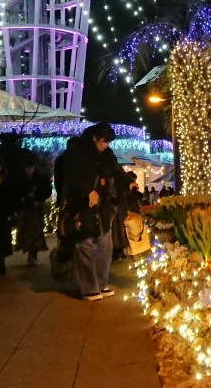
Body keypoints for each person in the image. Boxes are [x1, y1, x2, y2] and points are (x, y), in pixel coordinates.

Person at [56, 122, 136, 301]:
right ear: (94, 138)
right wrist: (87, 191)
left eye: (108, 142)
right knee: (85, 245)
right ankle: (88, 287)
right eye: (103, 141)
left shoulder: (107, 154)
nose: (106, 145)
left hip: (103, 207)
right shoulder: (77, 153)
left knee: (105, 246)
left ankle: (101, 283)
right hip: (82, 207)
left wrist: (128, 182)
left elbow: (116, 171)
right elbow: (70, 177)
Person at [15, 155, 52, 265]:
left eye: (31, 167)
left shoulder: (40, 179)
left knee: (36, 231)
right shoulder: (20, 179)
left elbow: (47, 190)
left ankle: (33, 254)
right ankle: (28, 251)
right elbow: (15, 192)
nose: (29, 169)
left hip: (36, 208)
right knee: (25, 230)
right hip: (24, 208)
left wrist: (39, 199)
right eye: (27, 167)